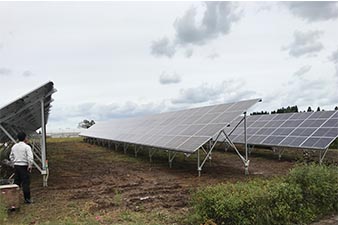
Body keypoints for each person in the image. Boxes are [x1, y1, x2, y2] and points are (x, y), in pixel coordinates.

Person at [10, 132, 34, 204]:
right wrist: (30, 166)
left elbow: (11, 156)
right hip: (24, 166)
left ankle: (13, 199)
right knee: (25, 183)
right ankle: (27, 199)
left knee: (16, 183)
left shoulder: (14, 146)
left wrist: (14, 163)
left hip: (16, 166)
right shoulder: (27, 147)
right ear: (25, 138)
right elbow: (30, 158)